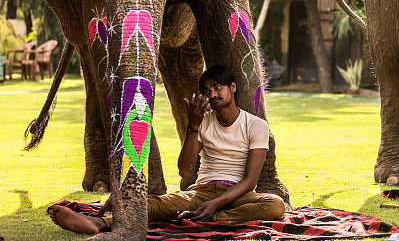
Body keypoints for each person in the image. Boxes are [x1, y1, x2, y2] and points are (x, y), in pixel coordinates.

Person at [50, 65, 286, 235]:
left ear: (232, 87)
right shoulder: (202, 122)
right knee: (152, 204)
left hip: (237, 194)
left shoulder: (256, 125)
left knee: (275, 205)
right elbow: (185, 172)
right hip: (201, 191)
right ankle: (101, 224)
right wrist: (193, 126)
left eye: (218, 87)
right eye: (207, 91)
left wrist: (217, 205)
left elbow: (250, 180)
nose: (212, 94)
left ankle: (206, 217)